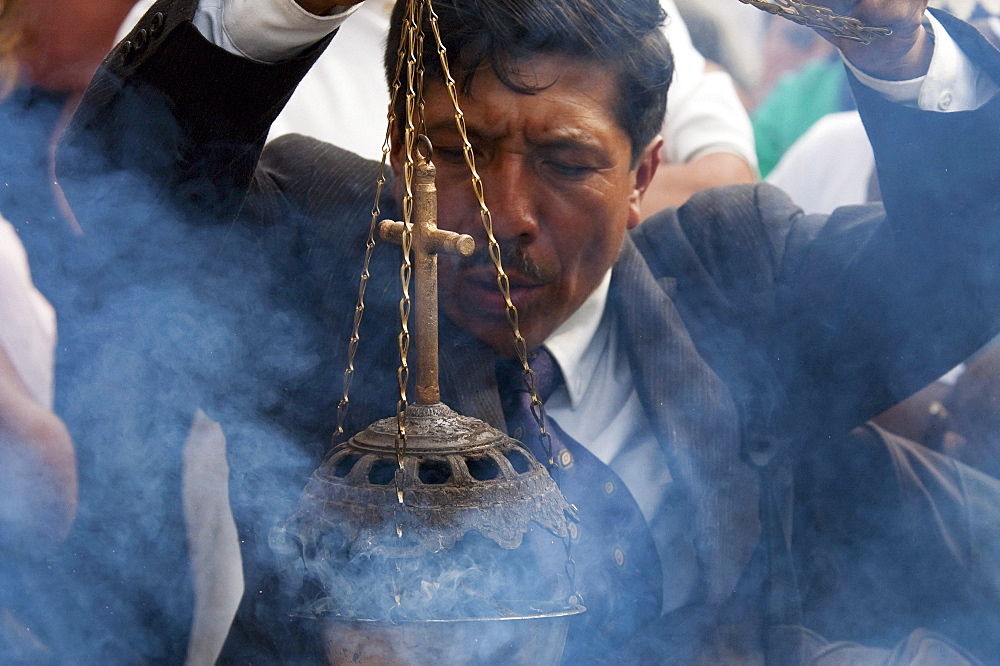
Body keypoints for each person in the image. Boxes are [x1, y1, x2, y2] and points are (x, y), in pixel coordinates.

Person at [60, 0, 1000, 662]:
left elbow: (963, 270)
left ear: (644, 175)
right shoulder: (330, 265)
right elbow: (120, 207)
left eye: (564, 161)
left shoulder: (736, 279)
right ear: (396, 144)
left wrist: (903, 54)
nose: (501, 214)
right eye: (450, 150)